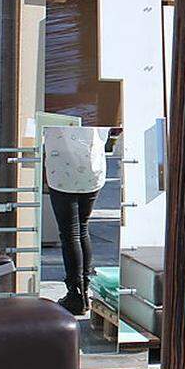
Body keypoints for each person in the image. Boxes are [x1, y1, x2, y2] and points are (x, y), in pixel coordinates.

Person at [43, 125, 110, 316]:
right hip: (92, 167)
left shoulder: (57, 100)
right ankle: (83, 291)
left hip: (61, 166)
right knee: (81, 228)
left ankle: (75, 293)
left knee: (70, 232)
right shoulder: (99, 102)